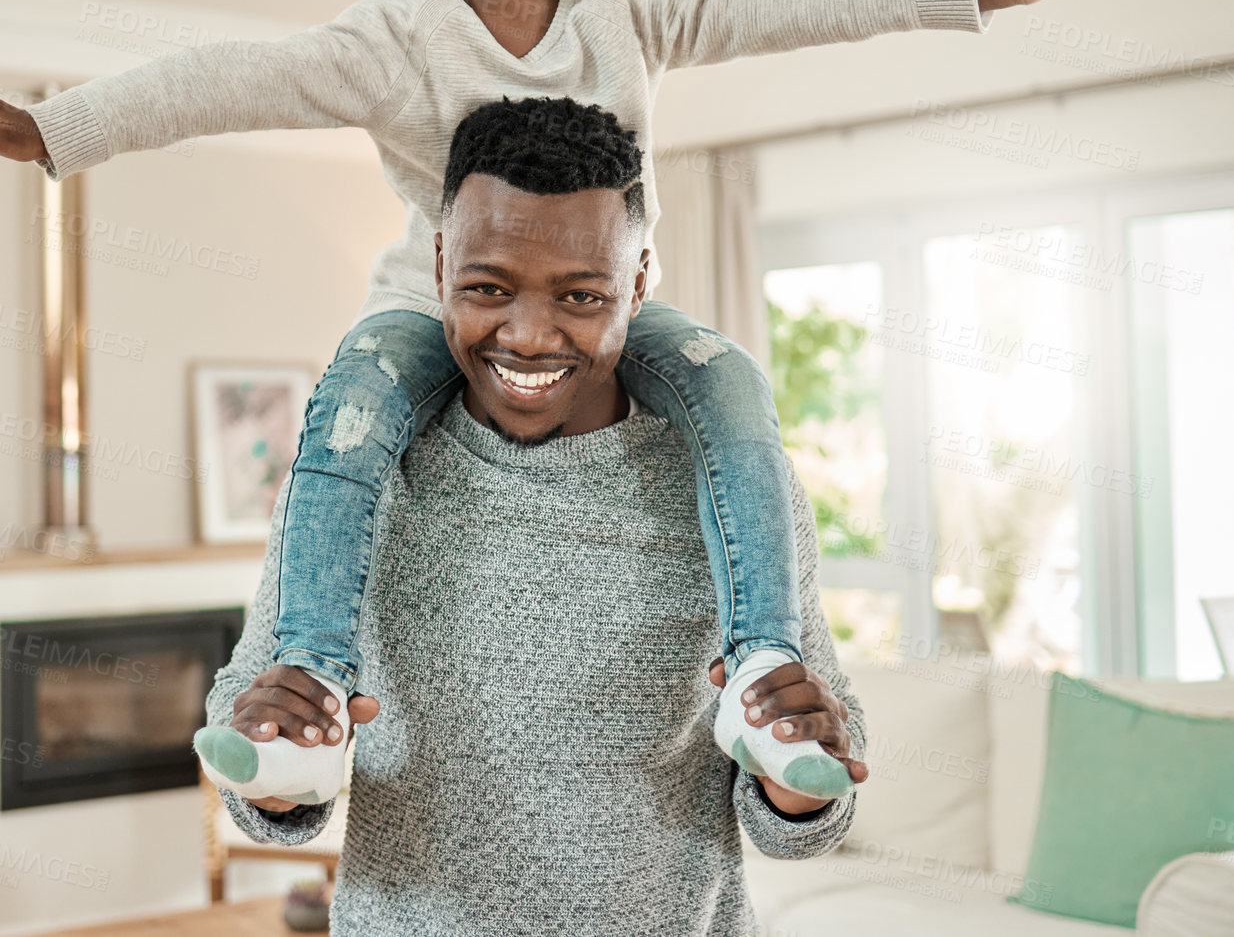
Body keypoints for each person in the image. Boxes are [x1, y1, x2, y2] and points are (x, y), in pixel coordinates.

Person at [0, 0, 1141, 806]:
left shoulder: (632, 5)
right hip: (424, 309)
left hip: (617, 304)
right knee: (344, 424)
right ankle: (317, 685)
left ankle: (762, 672)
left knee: (734, 392)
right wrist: (53, 132)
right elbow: (227, 77)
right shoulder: (388, 39)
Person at [206, 95, 870, 935]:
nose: (526, 335)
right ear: (441, 261)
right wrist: (273, 750)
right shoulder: (358, 483)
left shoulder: (734, 495)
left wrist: (800, 777)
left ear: (635, 282)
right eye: (488, 287)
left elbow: (809, 801)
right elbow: (250, 732)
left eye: (580, 297)